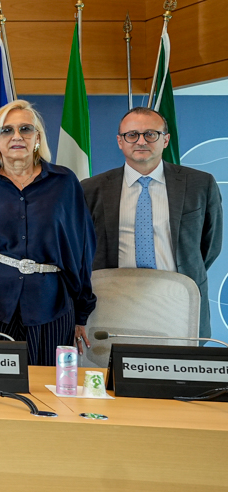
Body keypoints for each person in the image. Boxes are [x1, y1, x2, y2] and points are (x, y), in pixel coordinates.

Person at [0, 99, 96, 366]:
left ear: (37, 138)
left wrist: (81, 313)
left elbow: (81, 250)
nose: (16, 136)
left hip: (52, 305)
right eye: (6, 130)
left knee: (50, 387)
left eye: (25, 129)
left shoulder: (65, 183)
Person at [82, 107, 223, 338]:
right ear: (120, 141)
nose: (141, 141)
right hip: (113, 299)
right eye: (132, 135)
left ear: (165, 139)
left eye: (151, 134)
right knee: (113, 366)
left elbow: (210, 245)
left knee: (178, 370)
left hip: (178, 297)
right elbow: (82, 247)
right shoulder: (90, 189)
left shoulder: (200, 184)